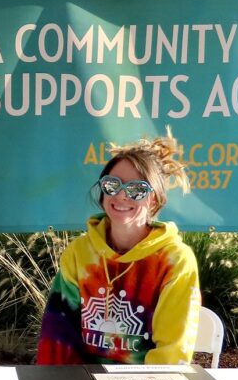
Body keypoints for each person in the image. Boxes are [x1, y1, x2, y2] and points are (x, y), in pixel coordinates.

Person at [37, 135, 201, 365]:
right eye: (112, 185)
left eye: (136, 189)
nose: (121, 195)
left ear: (154, 199)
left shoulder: (174, 260)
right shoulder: (79, 253)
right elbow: (57, 337)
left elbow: (171, 353)